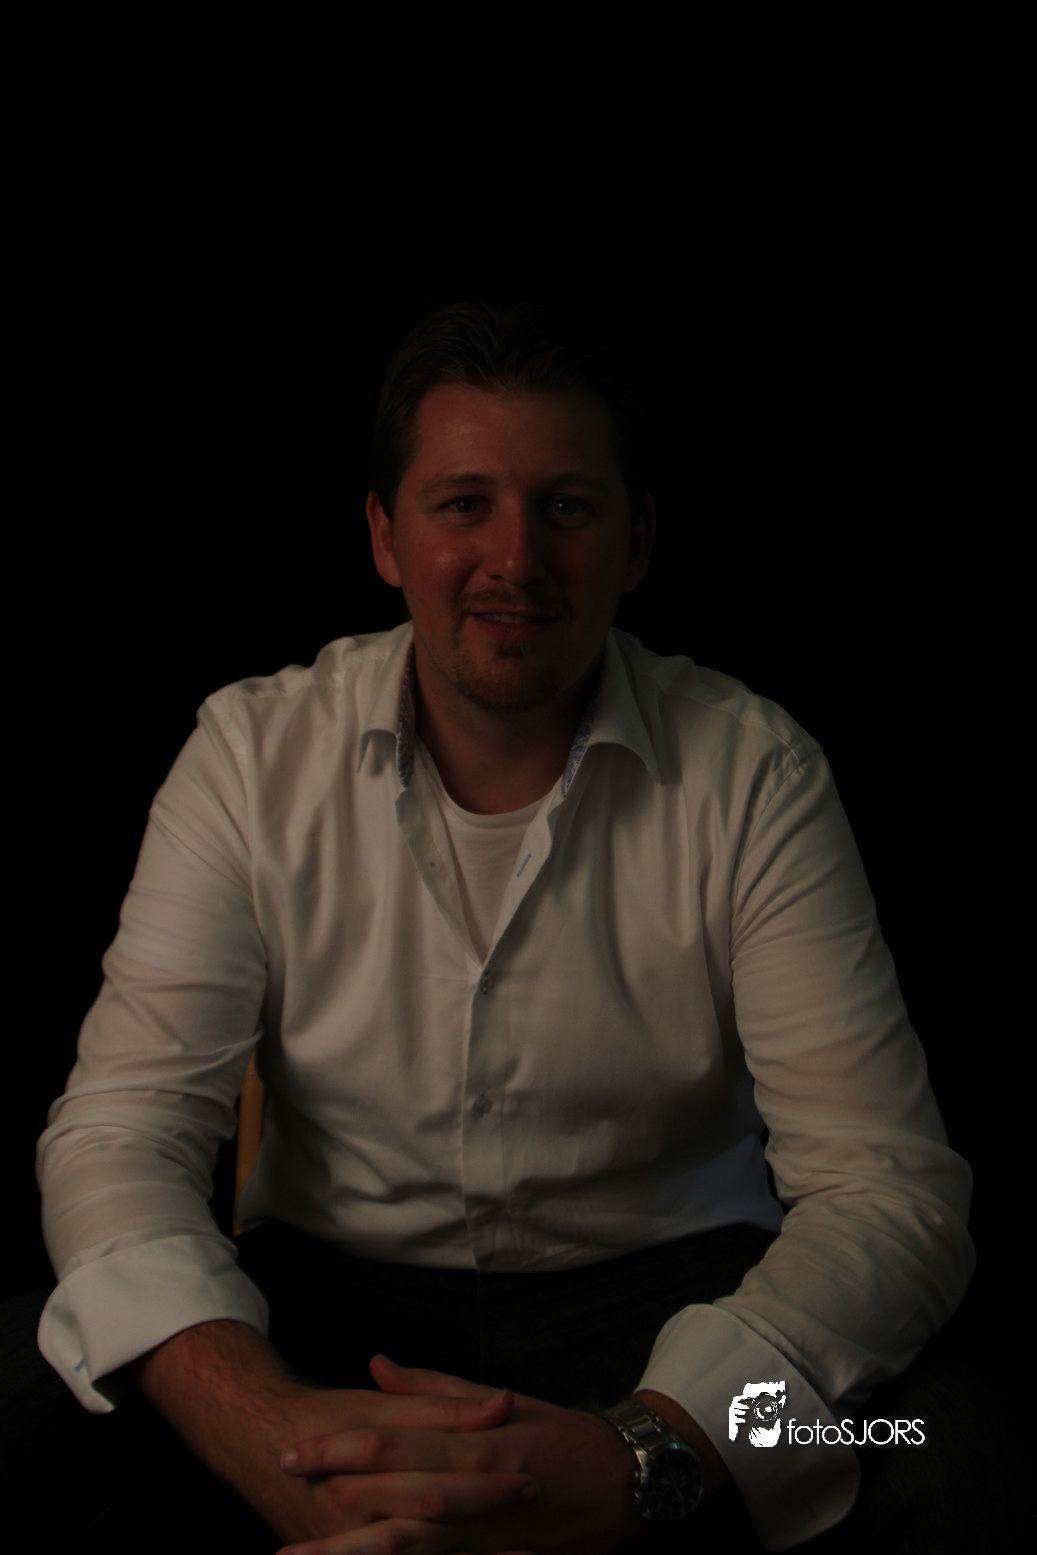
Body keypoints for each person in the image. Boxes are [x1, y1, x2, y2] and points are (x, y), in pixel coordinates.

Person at [25, 300, 979, 1552]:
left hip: (681, 1309)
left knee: (932, 1445)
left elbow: (885, 1188)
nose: (514, 559)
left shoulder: (755, 773)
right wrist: (268, 1433)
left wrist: (654, 1446)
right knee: (22, 1407)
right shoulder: (250, 756)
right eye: (463, 503)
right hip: (325, 1307)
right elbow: (120, 1130)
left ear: (636, 542)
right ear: (385, 535)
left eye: (566, 507)